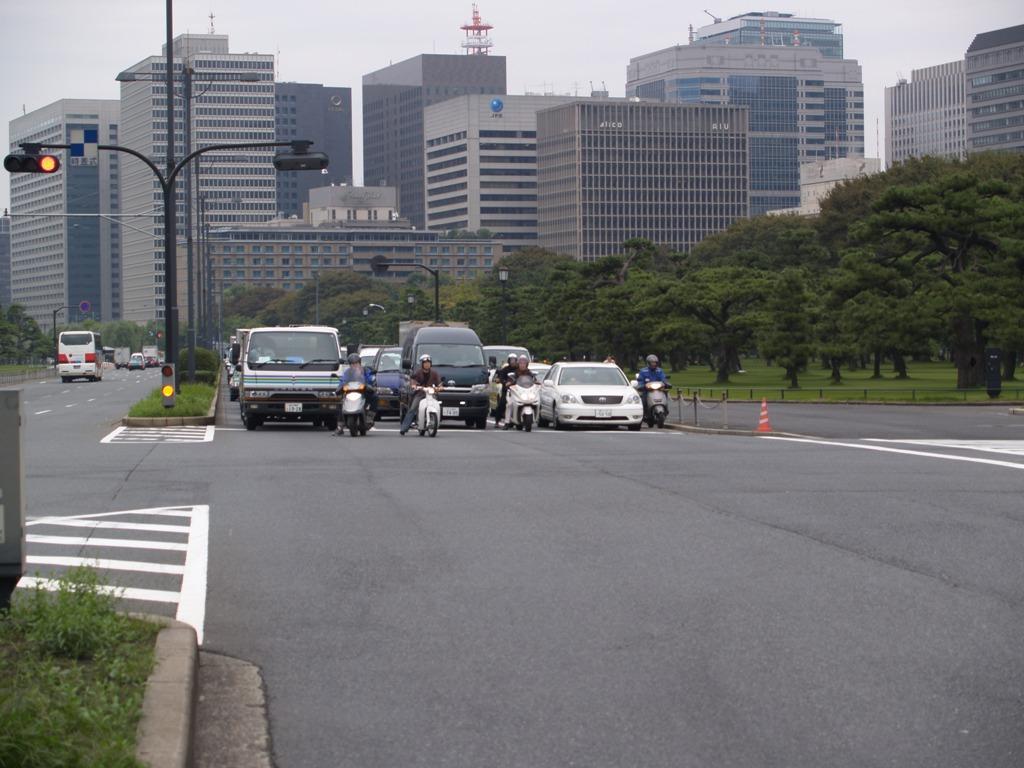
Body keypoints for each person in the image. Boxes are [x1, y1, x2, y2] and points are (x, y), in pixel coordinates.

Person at [400, 353, 442, 435]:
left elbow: (439, 383)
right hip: (420, 394)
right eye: (425, 363)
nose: (427, 364)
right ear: (422, 364)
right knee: (413, 408)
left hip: (431, 394)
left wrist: (440, 387)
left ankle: (435, 420)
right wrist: (414, 386)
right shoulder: (418, 373)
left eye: (428, 363)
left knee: (437, 405)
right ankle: (404, 428)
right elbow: (413, 381)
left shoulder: (434, 373)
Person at [335, 352, 376, 435]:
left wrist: (369, 384)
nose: (354, 365)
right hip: (350, 391)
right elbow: (343, 381)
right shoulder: (347, 372)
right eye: (352, 364)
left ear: (359, 363)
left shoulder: (365, 370)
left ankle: (370, 417)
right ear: (350, 365)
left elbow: (370, 379)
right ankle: (340, 426)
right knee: (340, 403)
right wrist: (340, 388)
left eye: (356, 363)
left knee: (375, 397)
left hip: (363, 391)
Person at [504, 354, 538, 428]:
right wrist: (509, 382)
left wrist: (537, 382)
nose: (522, 365)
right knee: (509, 404)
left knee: (537, 401)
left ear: (527, 364)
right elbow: (510, 380)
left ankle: (536, 418)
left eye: (524, 363)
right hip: (517, 393)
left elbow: (534, 380)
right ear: (518, 364)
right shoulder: (515, 373)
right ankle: (507, 422)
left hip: (527, 393)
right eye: (521, 363)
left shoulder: (529, 373)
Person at [635, 354, 668, 422]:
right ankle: (644, 413)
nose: (654, 364)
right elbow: (640, 380)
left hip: (658, 389)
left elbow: (663, 379)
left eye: (655, 362)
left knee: (665, 394)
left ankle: (666, 409)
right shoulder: (643, 371)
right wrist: (641, 385)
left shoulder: (659, 371)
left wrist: (666, 383)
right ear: (648, 363)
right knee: (643, 399)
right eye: (652, 362)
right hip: (647, 390)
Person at [494, 352, 519, 427]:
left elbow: (525, 377)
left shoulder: (519, 370)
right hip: (507, 390)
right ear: (508, 361)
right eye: (511, 360)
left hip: (518, 390)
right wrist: (505, 382)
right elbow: (501, 378)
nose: (512, 362)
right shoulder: (505, 369)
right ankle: (497, 420)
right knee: (502, 403)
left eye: (514, 360)